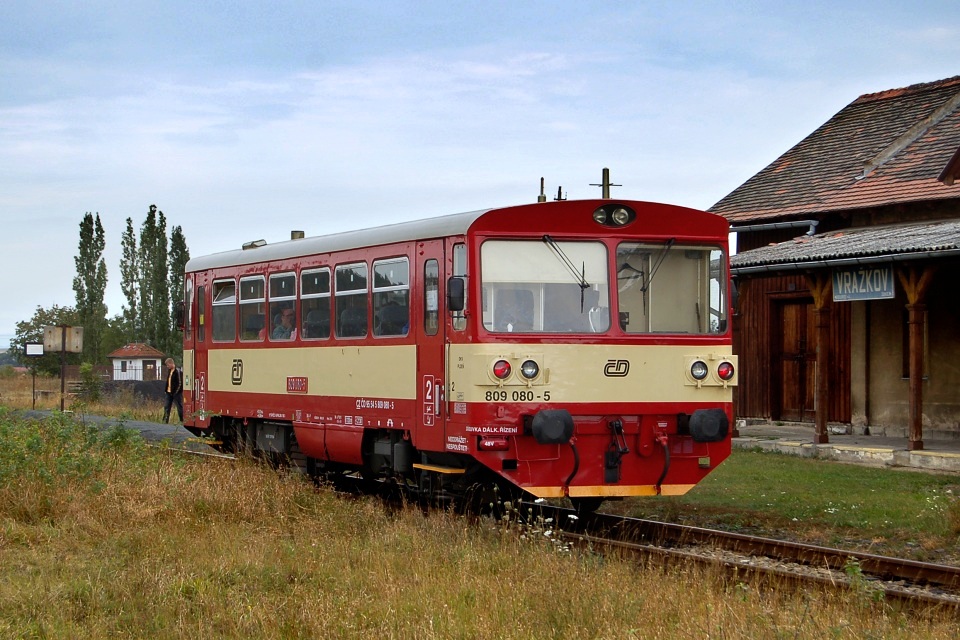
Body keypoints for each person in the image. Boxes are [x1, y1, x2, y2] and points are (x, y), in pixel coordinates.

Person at [163, 357, 183, 424]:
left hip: (176, 393)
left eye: (168, 365)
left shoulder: (177, 371)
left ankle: (182, 420)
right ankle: (165, 421)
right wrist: (166, 390)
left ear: (171, 363)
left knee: (179, 407)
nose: (167, 366)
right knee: (166, 407)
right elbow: (168, 381)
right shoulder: (170, 371)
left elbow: (180, 383)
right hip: (169, 392)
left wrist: (176, 392)